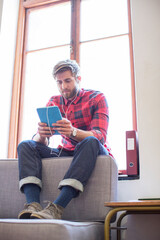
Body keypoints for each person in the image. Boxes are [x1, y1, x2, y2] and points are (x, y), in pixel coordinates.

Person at [17, 59, 112, 220]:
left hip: (93, 150)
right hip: (66, 152)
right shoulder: (54, 102)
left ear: (78, 79)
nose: (63, 87)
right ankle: (33, 205)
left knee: (90, 141)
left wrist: (73, 132)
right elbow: (42, 142)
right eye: (59, 82)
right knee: (26, 144)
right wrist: (41, 134)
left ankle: (57, 208)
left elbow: (100, 136)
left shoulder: (97, 98)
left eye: (67, 81)